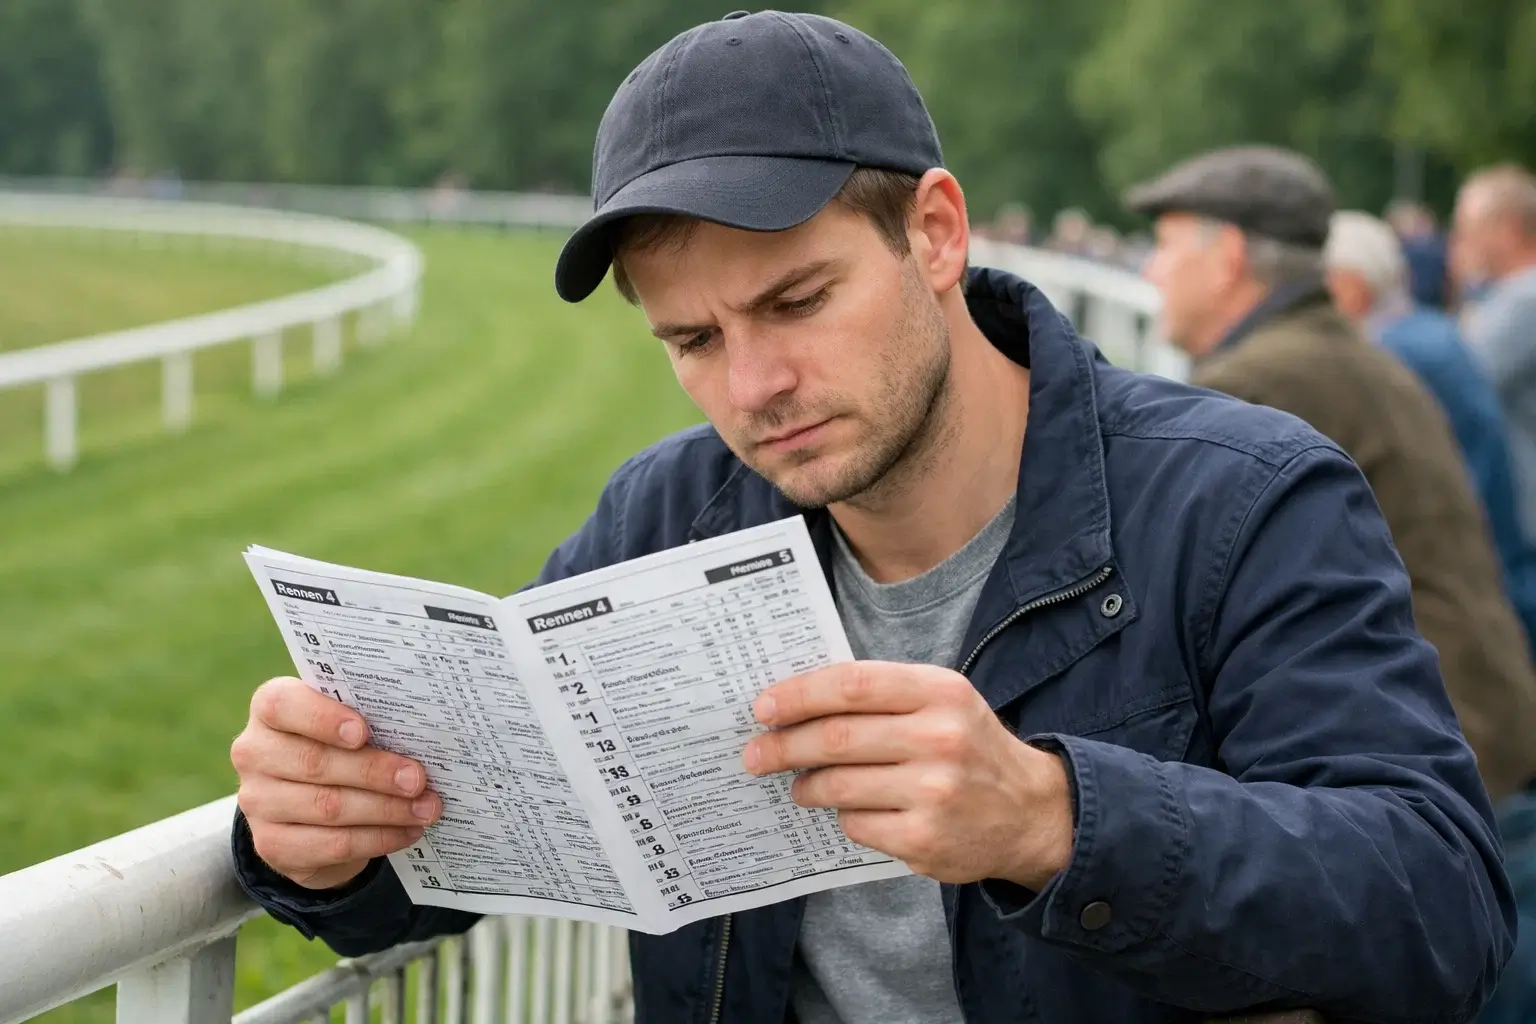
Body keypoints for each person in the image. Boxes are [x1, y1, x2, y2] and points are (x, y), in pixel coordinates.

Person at [229, 15, 1514, 1024]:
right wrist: (320, 838)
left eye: (796, 303)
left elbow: (1443, 905)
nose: (753, 387)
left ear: (936, 234)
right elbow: (481, 841)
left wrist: (1053, 818)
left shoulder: (1241, 496)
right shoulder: (665, 514)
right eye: (692, 339)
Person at [1127, 145, 1536, 809]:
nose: (1152, 269)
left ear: (1228, 256)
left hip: (1431, 770)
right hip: (1478, 728)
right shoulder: (1350, 357)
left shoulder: (1254, 386)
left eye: (1166, 246)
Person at [1323, 208, 1536, 652]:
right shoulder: (1427, 331)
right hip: (1498, 552)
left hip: (1477, 572)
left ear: (1351, 287)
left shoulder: (1390, 353)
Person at [1453, 165, 1536, 548]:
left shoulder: (1524, 301)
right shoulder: (1510, 296)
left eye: (1468, 228)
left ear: (1507, 230)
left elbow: (1458, 374)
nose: (1459, 241)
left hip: (1522, 515)